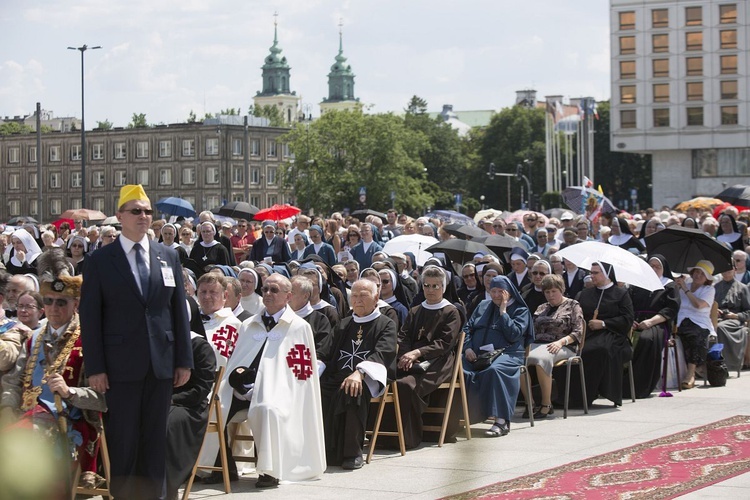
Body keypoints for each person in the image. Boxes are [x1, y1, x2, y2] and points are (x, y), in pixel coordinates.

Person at [79, 184, 193, 499]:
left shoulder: (168, 255)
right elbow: (90, 319)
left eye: (147, 211)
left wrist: (183, 359)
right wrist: (96, 367)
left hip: (160, 364)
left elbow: (177, 312)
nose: (143, 216)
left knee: (155, 440)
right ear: (120, 216)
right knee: (124, 440)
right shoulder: (101, 260)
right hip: (120, 367)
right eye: (136, 211)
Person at [1, 248, 107, 489]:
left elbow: (102, 400)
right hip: (26, 416)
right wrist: (8, 406)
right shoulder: (33, 338)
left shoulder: (90, 340)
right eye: (48, 301)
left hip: (70, 421)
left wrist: (70, 393)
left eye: (61, 302)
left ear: (76, 303)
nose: (54, 308)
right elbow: (13, 382)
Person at [215, 273, 326, 487]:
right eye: (265, 289)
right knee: (215, 402)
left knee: (266, 409)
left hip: (279, 392)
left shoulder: (298, 327)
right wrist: (241, 385)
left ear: (288, 296)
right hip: (242, 389)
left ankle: (269, 471)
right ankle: (221, 465)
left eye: (274, 290)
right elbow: (237, 359)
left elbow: (300, 374)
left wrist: (264, 387)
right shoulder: (248, 324)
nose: (267, 293)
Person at [317, 279, 397, 469]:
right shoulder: (344, 324)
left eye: (363, 295)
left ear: (376, 297)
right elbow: (326, 352)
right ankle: (324, 451)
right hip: (337, 376)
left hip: (368, 377)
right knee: (313, 389)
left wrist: (359, 372)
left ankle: (352, 453)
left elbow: (383, 352)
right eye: (354, 295)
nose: (357, 299)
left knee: (353, 390)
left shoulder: (386, 324)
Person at [392, 267, 461, 448]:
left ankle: (408, 438)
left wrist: (418, 353)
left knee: (406, 385)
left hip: (439, 361)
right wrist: (406, 354)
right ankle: (387, 438)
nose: (430, 290)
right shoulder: (415, 310)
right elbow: (403, 337)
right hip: (410, 360)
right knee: (387, 378)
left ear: (443, 287)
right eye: (426, 285)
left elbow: (445, 343)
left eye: (435, 286)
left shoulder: (451, 312)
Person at [463, 275, 534, 437]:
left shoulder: (520, 310)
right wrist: (467, 348)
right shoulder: (482, 305)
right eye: (492, 291)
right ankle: (461, 418)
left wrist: (503, 312)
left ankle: (502, 421)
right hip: (477, 354)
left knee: (494, 370)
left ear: (509, 292)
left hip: (509, 354)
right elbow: (467, 329)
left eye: (500, 291)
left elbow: (514, 334)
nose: (495, 295)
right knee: (459, 369)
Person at [561, 262, 634, 408]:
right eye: (591, 272)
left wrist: (604, 323)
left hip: (613, 335)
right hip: (586, 335)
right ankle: (570, 396)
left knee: (597, 351)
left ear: (606, 274)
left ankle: (586, 396)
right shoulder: (585, 294)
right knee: (569, 351)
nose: (591, 276)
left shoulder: (621, 294)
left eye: (595, 273)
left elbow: (627, 319)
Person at [522, 274, 584, 418]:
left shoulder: (573, 305)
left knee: (541, 359)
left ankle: (546, 404)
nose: (550, 295)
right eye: (547, 292)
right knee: (517, 359)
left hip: (563, 345)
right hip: (538, 344)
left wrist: (560, 342)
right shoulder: (541, 307)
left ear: (561, 290)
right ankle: (529, 403)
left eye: (553, 291)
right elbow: (532, 330)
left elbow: (578, 332)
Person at [165, 330, 216, 499]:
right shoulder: (160, 341)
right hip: (159, 402)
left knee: (167, 423)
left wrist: (171, 399)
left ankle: (166, 486)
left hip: (190, 407)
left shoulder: (200, 346)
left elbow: (201, 389)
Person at [627, 255, 679, 398]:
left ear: (664, 269)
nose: (654, 268)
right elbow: (628, 305)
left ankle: (640, 386)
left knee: (646, 339)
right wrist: (631, 320)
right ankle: (621, 384)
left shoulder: (669, 285)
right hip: (635, 322)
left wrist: (650, 322)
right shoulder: (638, 284)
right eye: (651, 265)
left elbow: (670, 310)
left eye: (658, 266)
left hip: (658, 323)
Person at [674, 260, 716, 389]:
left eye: (702, 274)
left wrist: (686, 290)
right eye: (697, 272)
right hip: (681, 321)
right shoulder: (684, 284)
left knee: (695, 336)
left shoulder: (709, 290)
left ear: (707, 278)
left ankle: (691, 372)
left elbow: (698, 305)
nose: (698, 276)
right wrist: (676, 286)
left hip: (699, 322)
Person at [197, 273, 242, 367]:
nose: (207, 297)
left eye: (213, 292)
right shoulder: (189, 320)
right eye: (203, 292)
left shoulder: (235, 325)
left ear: (225, 295)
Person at [713, 267, 750, 374]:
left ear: (734, 270)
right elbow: (711, 305)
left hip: (735, 319)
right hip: (718, 317)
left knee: (720, 328)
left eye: (728, 270)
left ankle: (725, 363)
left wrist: (735, 316)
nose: (726, 273)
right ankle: (707, 364)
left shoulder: (742, 288)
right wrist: (716, 310)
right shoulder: (716, 287)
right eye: (724, 270)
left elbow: (748, 311)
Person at [290, 275, 333, 352]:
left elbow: (322, 351)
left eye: (292, 293)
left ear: (305, 296)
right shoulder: (280, 317)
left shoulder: (320, 321)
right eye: (287, 292)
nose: (287, 296)